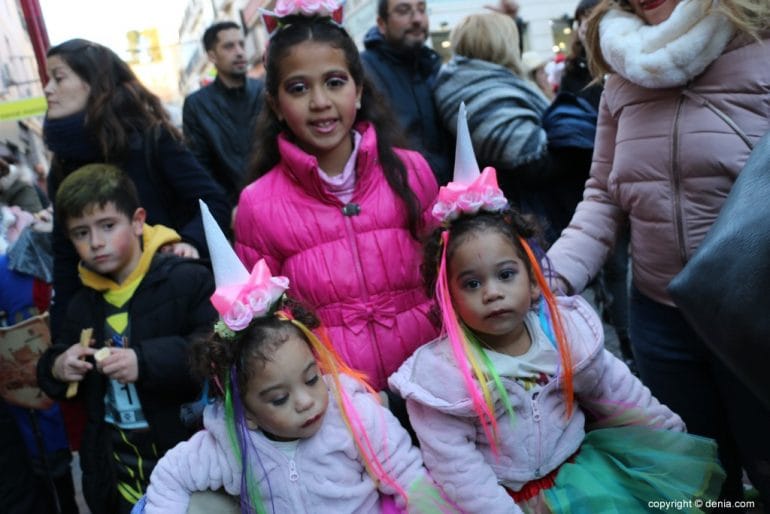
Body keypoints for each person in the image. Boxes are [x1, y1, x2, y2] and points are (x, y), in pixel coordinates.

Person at [389, 112, 724, 512]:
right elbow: (458, 469)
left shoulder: (564, 333)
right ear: (448, 296)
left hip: (583, 481)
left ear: (533, 282)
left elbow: (614, 389)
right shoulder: (443, 377)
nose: (492, 293)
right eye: (472, 283)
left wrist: (665, 436)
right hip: (501, 500)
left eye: (506, 274)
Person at [546, 0, 770, 505]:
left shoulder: (762, 49)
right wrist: (551, 279)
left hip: (754, 315)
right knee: (699, 485)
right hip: (661, 322)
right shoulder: (622, 73)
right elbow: (603, 194)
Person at [133, 201, 447, 514]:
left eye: (311, 379)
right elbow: (171, 476)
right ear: (246, 410)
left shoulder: (354, 416)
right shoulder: (230, 444)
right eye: (279, 398)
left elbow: (409, 477)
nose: (305, 401)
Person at [234, 0, 439, 392]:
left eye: (335, 81)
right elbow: (262, 331)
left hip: (434, 391)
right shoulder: (257, 205)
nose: (320, 102)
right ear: (276, 104)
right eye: (298, 88)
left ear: (358, 90)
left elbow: (446, 279)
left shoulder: (412, 171)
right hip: (337, 411)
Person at [36, 164, 218, 514]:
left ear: (137, 221)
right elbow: (55, 358)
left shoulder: (185, 279)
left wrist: (144, 361)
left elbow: (213, 350)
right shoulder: (82, 303)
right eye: (81, 233)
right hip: (115, 468)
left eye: (107, 226)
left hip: (184, 461)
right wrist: (59, 366)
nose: (96, 243)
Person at [42, 38, 229, 337]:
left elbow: (213, 202)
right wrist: (62, 345)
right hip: (108, 314)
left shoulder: (151, 140)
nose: (48, 89)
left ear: (92, 82)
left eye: (58, 78)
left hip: (175, 302)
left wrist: (188, 242)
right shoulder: (61, 166)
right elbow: (65, 254)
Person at [434, 13, 582, 246]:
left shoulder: (475, 79)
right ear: (499, 43)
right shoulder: (476, 86)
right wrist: (574, 143)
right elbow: (530, 157)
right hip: (525, 217)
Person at [360, 0, 452, 184]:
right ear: (381, 24)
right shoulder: (365, 71)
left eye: (422, 9)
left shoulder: (432, 65)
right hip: (404, 193)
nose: (417, 19)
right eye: (404, 11)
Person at [183, 22, 265, 208]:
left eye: (241, 44)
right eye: (229, 46)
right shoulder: (197, 105)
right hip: (233, 212)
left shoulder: (264, 91)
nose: (239, 52)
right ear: (212, 55)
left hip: (277, 200)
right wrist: (228, 209)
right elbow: (201, 166)